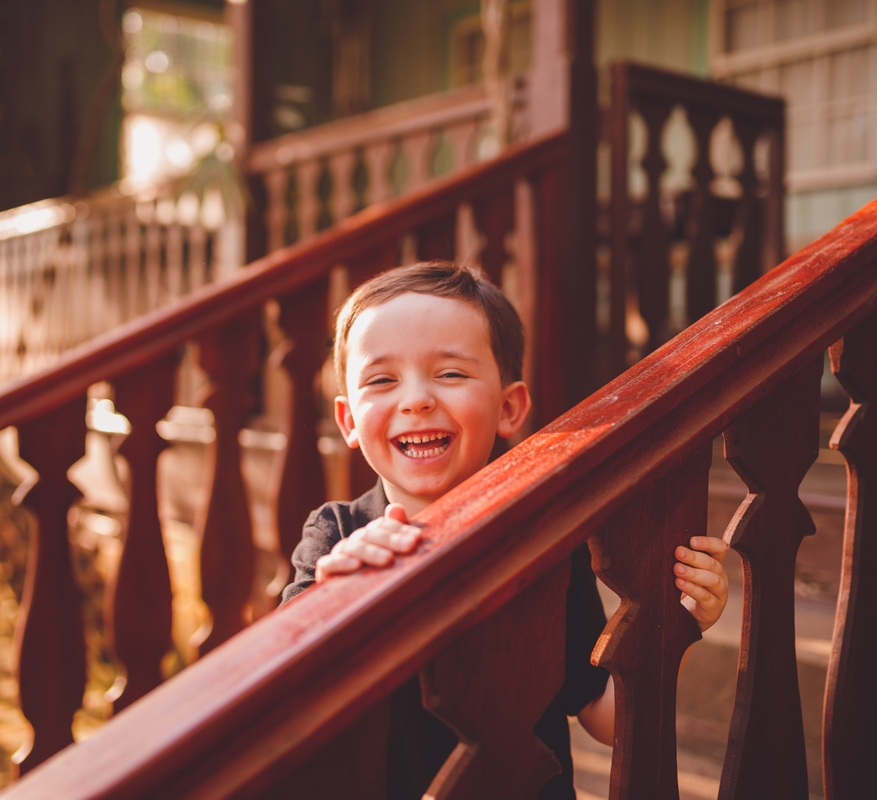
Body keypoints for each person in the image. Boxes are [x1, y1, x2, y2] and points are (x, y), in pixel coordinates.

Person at [281, 261, 729, 799]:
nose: (416, 399)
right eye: (381, 379)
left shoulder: (544, 542)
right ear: (349, 419)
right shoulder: (335, 536)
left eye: (450, 373)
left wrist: (677, 623)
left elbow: (606, 719)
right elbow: (286, 701)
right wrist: (337, 596)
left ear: (510, 407)